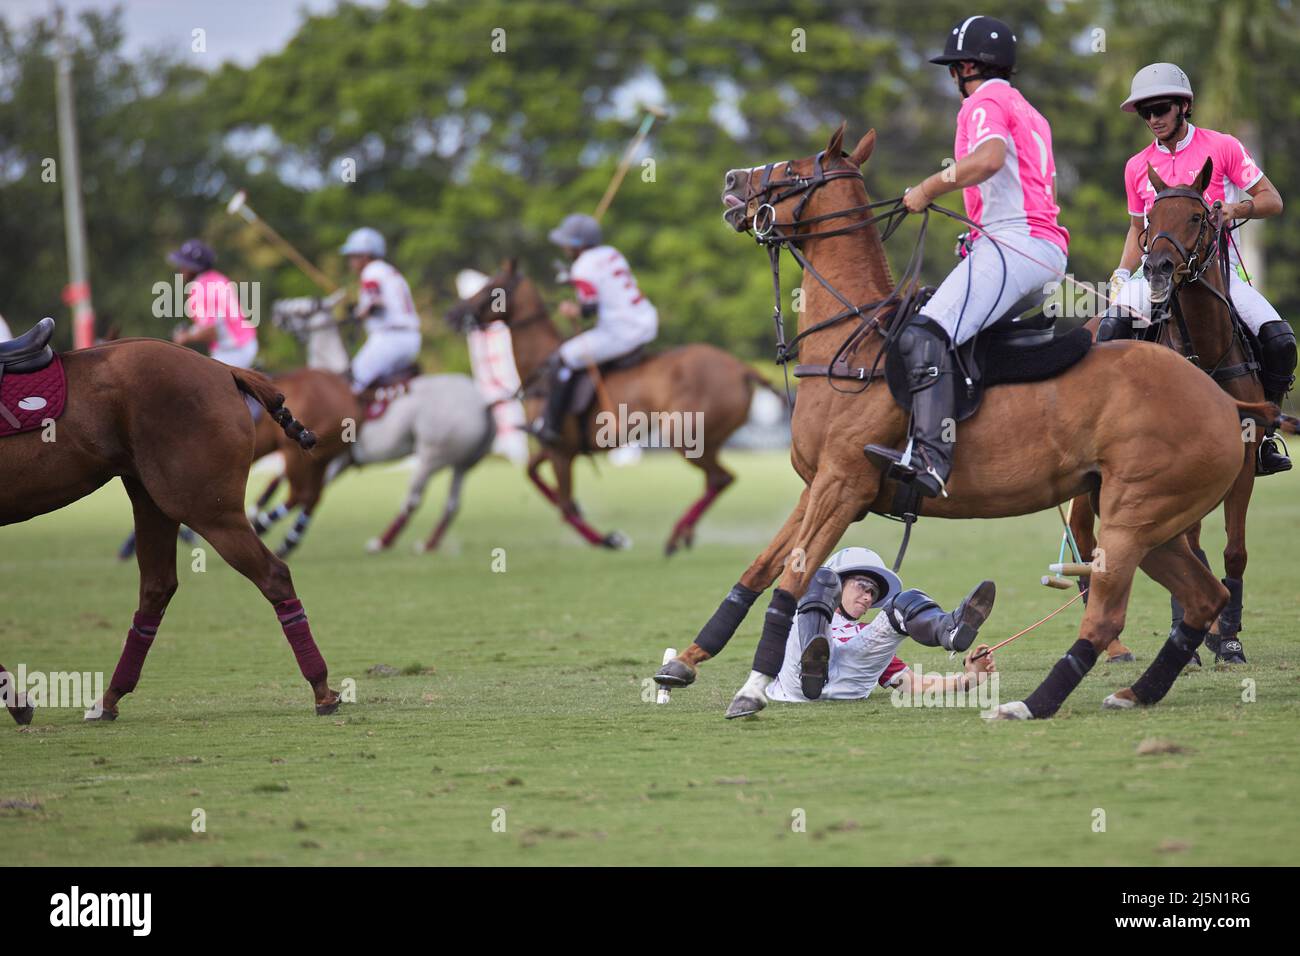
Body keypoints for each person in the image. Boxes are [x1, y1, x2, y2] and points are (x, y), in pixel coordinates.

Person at [864, 16, 1069, 498]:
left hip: (1016, 243)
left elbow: (988, 159)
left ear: (969, 66)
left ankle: (931, 458)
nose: (952, 77)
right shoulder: (1030, 110)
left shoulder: (985, 100)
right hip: (1034, 246)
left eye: (953, 68)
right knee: (954, 331)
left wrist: (927, 188)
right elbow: (1028, 188)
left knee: (922, 334)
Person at [1102, 62, 1294, 474]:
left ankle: (1265, 433)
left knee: (1280, 341)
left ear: (1183, 105)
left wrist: (1236, 208)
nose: (1153, 118)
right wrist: (1121, 273)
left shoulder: (1222, 146)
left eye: (1161, 108)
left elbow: (1272, 199)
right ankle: (1107, 433)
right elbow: (1137, 228)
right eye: (1145, 111)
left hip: (1220, 276)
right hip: (1154, 276)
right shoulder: (1137, 166)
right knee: (1108, 331)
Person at [729, 546, 997, 716]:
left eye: (873, 592)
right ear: (840, 585)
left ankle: (949, 631)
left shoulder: (866, 633)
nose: (868, 597)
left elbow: (909, 683)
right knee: (816, 582)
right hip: (795, 686)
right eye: (861, 586)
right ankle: (813, 662)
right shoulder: (802, 610)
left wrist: (968, 680)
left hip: (850, 688)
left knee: (905, 601)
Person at [533, 213, 658, 444]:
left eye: (567, 243)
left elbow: (589, 310)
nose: (564, 248)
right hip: (646, 321)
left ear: (577, 245)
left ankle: (550, 425)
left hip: (621, 332)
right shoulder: (612, 253)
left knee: (563, 357)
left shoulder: (583, 267)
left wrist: (574, 310)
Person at [339, 227, 423, 393]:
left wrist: (356, 315)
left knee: (350, 385)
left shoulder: (372, 271)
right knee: (378, 386)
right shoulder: (389, 271)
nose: (351, 262)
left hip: (389, 338)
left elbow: (375, 305)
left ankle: (351, 420)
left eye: (353, 256)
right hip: (411, 339)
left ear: (365, 256)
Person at [167, 239, 258, 368]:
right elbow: (219, 322)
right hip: (245, 342)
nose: (180, 269)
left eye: (184, 265)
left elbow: (211, 332)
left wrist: (185, 337)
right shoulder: (217, 277)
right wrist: (193, 331)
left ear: (194, 268)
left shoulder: (199, 289)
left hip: (233, 350)